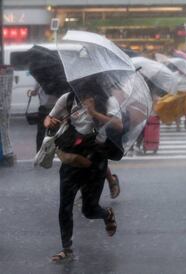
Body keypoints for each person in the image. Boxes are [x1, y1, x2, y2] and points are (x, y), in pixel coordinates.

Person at [44, 87, 122, 262]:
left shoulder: (108, 101)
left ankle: (106, 214)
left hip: (96, 160)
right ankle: (67, 248)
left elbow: (118, 125)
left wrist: (94, 112)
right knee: (65, 205)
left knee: (89, 210)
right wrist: (50, 122)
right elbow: (49, 117)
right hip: (72, 156)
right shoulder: (68, 98)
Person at [29, 83, 59, 152]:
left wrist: (30, 92)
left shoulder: (42, 78)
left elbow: (34, 92)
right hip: (55, 109)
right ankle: (52, 150)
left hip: (44, 108)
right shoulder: (57, 80)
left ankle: (39, 151)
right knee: (53, 132)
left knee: (41, 132)